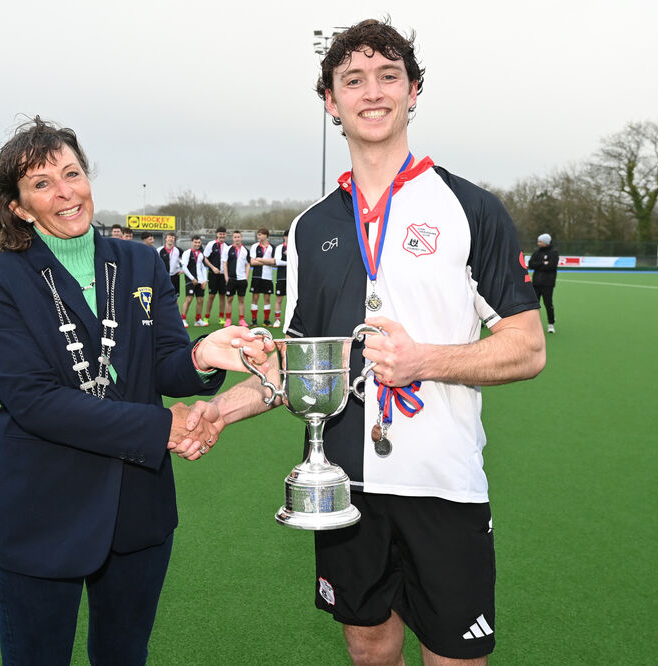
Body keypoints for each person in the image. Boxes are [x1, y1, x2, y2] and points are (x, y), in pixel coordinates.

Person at [184, 19, 545, 666]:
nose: (371, 92)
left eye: (388, 76)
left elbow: (527, 347)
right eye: (353, 80)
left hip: (445, 484)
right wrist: (217, 412)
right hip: (343, 485)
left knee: (455, 658)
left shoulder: (470, 208)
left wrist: (424, 360)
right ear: (330, 100)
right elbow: (301, 368)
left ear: (414, 91)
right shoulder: (310, 226)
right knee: (368, 646)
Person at [0, 117, 268, 665]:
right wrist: (163, 427)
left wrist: (203, 355)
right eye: (42, 183)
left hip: (138, 509)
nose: (66, 192)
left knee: (124, 654)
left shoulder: (138, 260)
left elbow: (165, 365)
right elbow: (33, 402)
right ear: (18, 207)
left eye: (72, 173)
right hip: (43, 510)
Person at [528, 233, 559, 334]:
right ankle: (533, 325)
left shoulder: (554, 252)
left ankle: (551, 324)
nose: (538, 243)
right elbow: (531, 264)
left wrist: (540, 265)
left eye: (540, 241)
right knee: (534, 305)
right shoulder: (537, 252)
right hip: (536, 283)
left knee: (548, 303)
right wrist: (542, 263)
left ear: (545, 242)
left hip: (548, 283)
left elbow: (551, 266)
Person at [223, 230, 249, 327]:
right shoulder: (228, 249)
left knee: (241, 300)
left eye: (238, 237)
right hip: (231, 279)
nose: (237, 239)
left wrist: (246, 277)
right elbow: (224, 263)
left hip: (242, 279)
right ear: (232, 238)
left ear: (241, 238)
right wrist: (226, 277)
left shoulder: (245, 250)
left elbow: (248, 264)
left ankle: (242, 320)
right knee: (229, 299)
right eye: (235, 237)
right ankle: (228, 319)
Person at [203, 226, 228, 326]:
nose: (222, 235)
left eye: (223, 234)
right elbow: (205, 259)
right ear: (217, 234)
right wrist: (213, 268)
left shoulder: (227, 246)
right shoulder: (211, 244)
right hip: (213, 274)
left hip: (223, 275)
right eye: (220, 234)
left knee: (222, 296)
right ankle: (206, 317)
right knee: (211, 296)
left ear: (225, 235)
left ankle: (221, 318)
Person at [180, 234, 207, 327]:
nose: (197, 244)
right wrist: (192, 278)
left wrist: (204, 280)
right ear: (192, 242)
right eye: (195, 242)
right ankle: (183, 319)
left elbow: (203, 268)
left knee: (200, 300)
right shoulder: (187, 253)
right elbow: (184, 267)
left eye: (199, 242)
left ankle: (198, 320)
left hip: (200, 281)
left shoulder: (201, 254)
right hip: (190, 280)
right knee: (189, 299)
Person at [249, 227, 274, 325]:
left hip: (268, 276)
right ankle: (254, 320)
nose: (258, 236)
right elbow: (252, 262)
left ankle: (266, 320)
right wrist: (266, 261)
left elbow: (274, 261)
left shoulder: (272, 247)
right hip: (256, 276)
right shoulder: (255, 246)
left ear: (266, 236)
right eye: (257, 234)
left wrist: (260, 259)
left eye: (260, 234)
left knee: (267, 298)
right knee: (255, 298)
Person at [271, 229, 289, 328]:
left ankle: (291, 321)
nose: (289, 239)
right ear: (284, 237)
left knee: (294, 300)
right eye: (287, 236)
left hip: (293, 278)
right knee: (279, 299)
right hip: (281, 277)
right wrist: (290, 262)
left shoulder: (296, 247)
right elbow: (277, 262)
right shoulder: (279, 248)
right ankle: (277, 320)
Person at [159, 232, 181, 299]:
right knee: (162, 296)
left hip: (174, 276)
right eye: (169, 237)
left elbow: (185, 261)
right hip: (163, 276)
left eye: (173, 238)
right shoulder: (159, 250)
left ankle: (175, 309)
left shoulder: (178, 250)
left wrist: (182, 269)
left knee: (175, 297)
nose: (171, 239)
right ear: (166, 239)